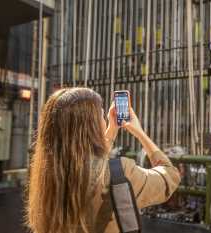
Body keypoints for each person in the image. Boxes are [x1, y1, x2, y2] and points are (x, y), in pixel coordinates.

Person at [26, 88, 181, 233]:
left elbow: (88, 161)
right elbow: (170, 175)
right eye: (100, 115)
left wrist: (111, 131)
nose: (104, 120)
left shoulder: (47, 172)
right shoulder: (120, 172)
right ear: (91, 126)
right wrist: (140, 132)